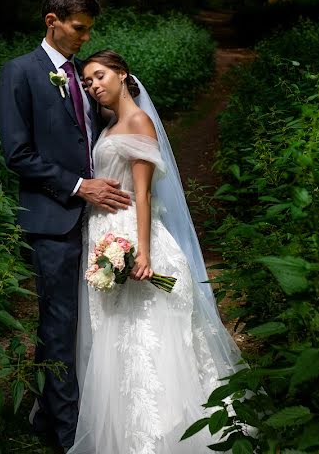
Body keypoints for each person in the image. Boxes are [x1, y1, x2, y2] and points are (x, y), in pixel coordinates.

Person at [69, 50, 253, 453]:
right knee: (115, 336)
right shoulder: (113, 124)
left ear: (122, 74)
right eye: (87, 82)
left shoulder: (138, 122)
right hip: (103, 234)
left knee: (144, 334)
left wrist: (143, 253)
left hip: (130, 238)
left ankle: (161, 435)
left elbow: (143, 194)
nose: (94, 86)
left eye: (100, 76)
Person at [0, 0, 132, 451]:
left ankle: (68, 414)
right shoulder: (20, 72)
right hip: (52, 218)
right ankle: (66, 433)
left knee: (86, 322)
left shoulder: (83, 74)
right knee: (57, 324)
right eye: (79, 28)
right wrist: (79, 186)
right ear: (51, 21)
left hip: (97, 223)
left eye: (90, 29)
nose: (85, 37)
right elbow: (17, 154)